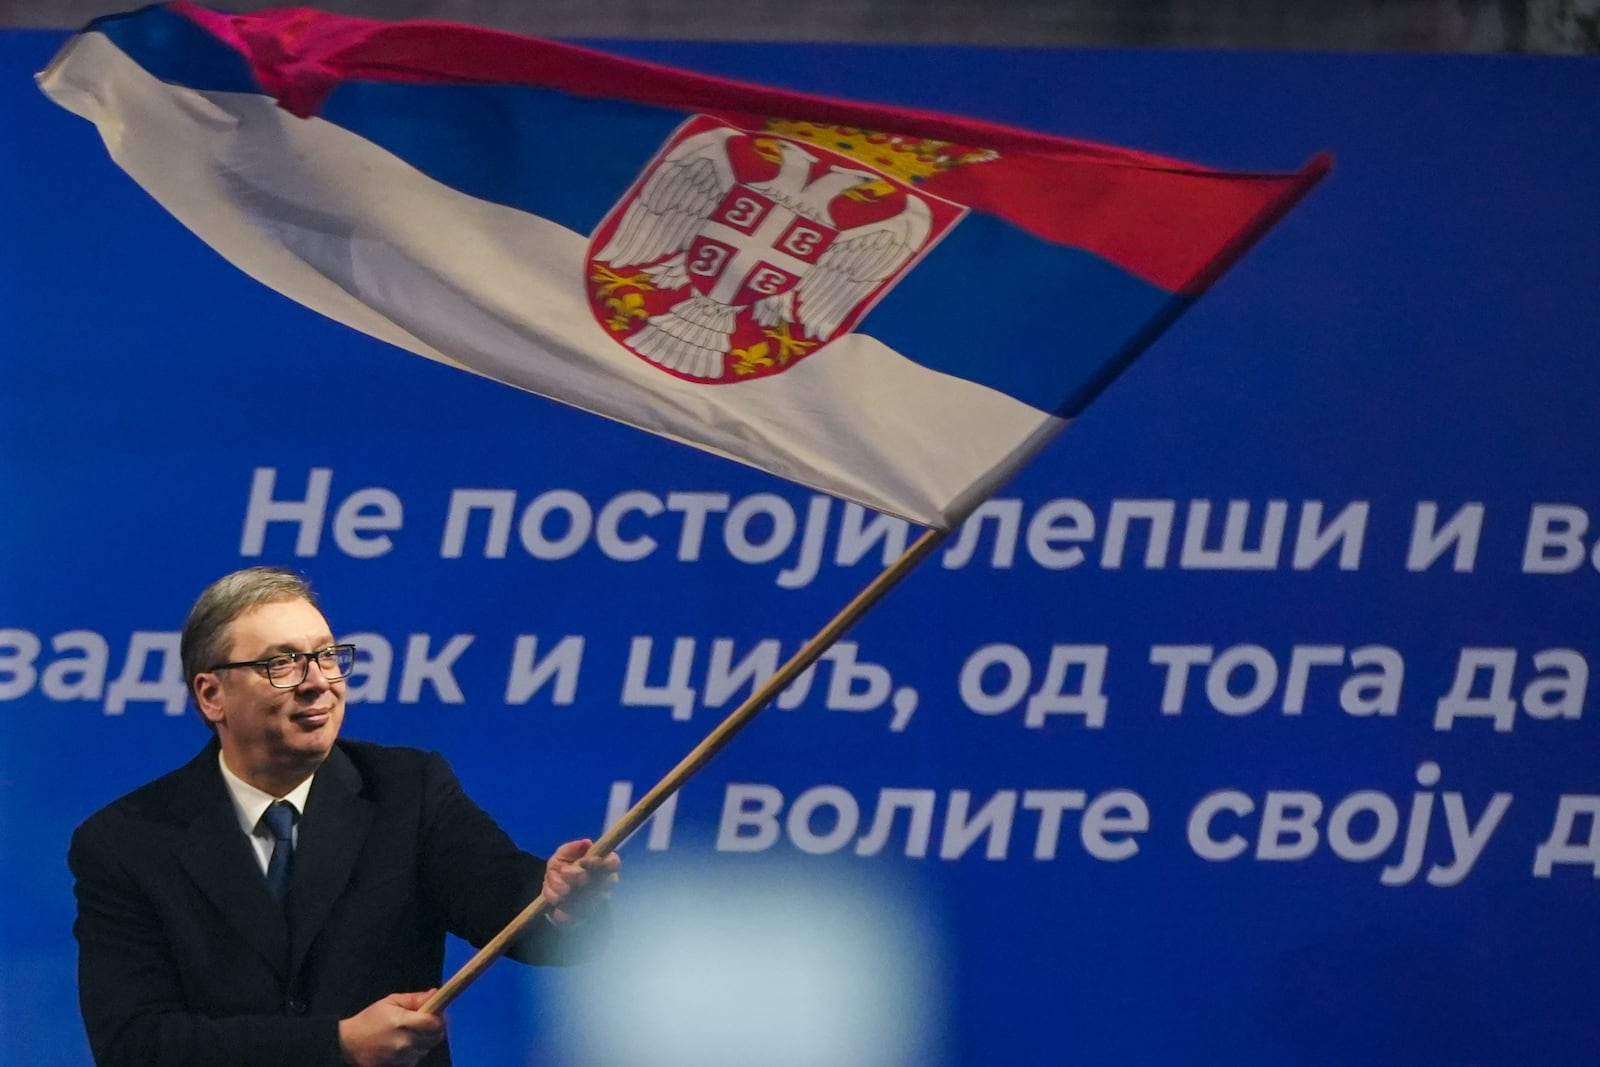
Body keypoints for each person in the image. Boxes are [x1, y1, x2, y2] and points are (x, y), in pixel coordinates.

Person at [68, 567, 620, 1067]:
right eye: (281, 663)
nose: (317, 681)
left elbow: (505, 896)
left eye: (327, 655)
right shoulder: (126, 842)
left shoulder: (408, 790)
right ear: (212, 695)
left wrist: (559, 903)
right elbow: (136, 1046)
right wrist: (336, 1044)